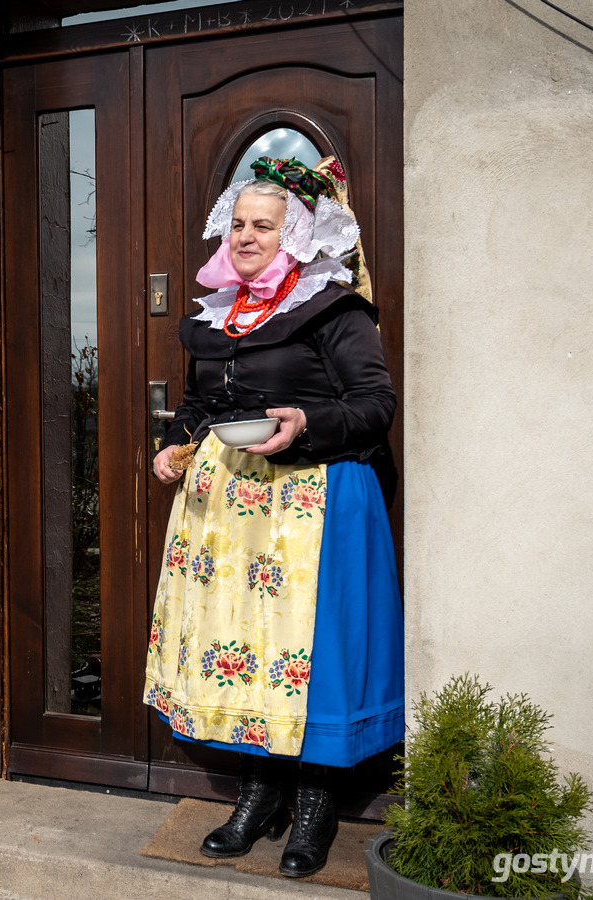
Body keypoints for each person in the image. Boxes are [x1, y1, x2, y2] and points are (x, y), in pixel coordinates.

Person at [144, 156, 403, 878]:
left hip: (313, 500)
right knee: (246, 649)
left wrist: (306, 419)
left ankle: (315, 804)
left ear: (296, 235)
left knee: (309, 658)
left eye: (265, 225)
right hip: (233, 511)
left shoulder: (334, 307)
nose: (248, 235)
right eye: (239, 224)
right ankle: (257, 795)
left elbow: (375, 405)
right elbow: (200, 409)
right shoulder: (219, 313)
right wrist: (173, 447)